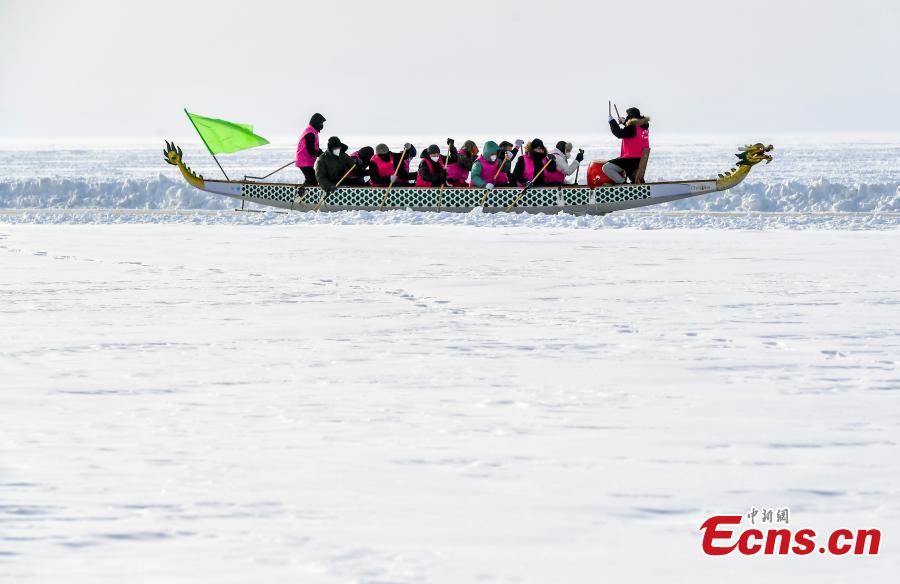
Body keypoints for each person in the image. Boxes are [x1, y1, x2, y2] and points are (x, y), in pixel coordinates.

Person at [603, 107, 650, 184]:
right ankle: (634, 181)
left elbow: (619, 133)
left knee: (607, 167)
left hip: (630, 159)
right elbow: (632, 130)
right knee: (619, 165)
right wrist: (625, 122)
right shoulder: (643, 126)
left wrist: (612, 122)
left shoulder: (632, 127)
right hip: (640, 159)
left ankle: (623, 183)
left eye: (628, 116)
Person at [295, 113, 326, 185]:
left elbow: (315, 147)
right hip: (304, 161)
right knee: (313, 181)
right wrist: (321, 154)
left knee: (311, 179)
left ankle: (302, 190)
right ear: (316, 123)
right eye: (321, 123)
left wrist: (322, 153)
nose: (322, 125)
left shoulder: (312, 132)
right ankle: (303, 192)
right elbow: (311, 150)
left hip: (306, 162)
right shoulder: (310, 133)